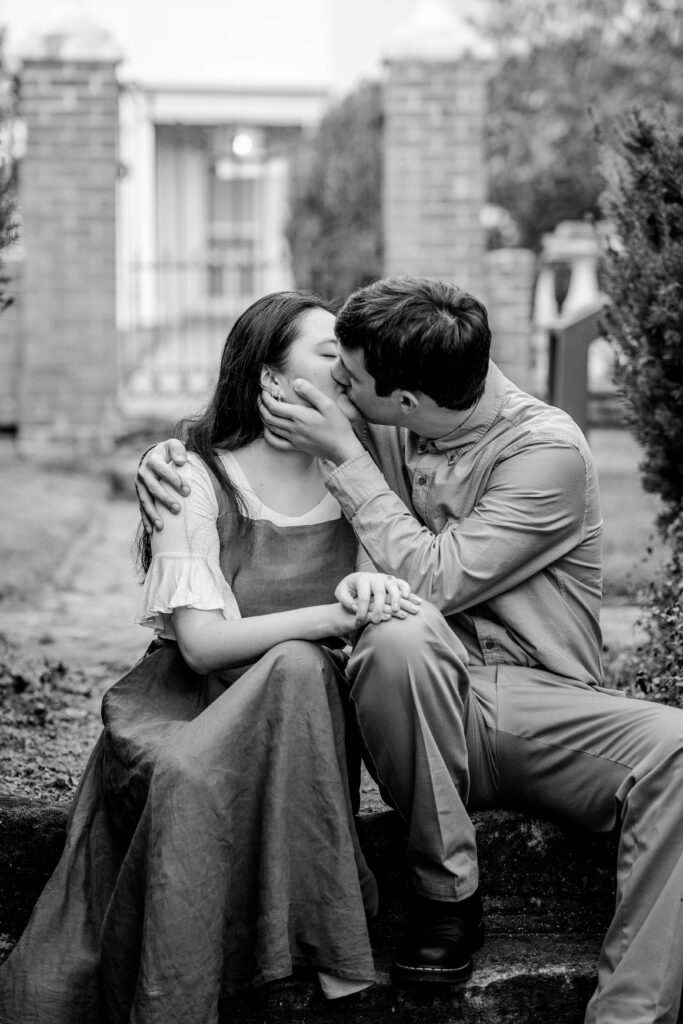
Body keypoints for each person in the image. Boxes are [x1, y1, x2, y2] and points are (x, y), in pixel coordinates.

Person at [136, 275, 683, 1024]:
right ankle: (446, 893)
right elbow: (242, 435)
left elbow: (435, 575)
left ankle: (628, 1016)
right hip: (398, 694)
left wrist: (344, 455)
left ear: (404, 404)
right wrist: (167, 457)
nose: (338, 386)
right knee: (395, 632)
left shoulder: (544, 452)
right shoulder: (380, 408)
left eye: (350, 380)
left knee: (679, 748)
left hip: (526, 705)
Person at [0, 290, 422, 1024]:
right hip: (189, 705)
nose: (351, 373)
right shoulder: (192, 476)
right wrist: (336, 615)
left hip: (303, 717)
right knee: (255, 703)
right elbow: (198, 646)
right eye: (331, 357)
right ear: (269, 380)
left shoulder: (365, 463)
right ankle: (269, 970)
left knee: (298, 670)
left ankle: (320, 944)